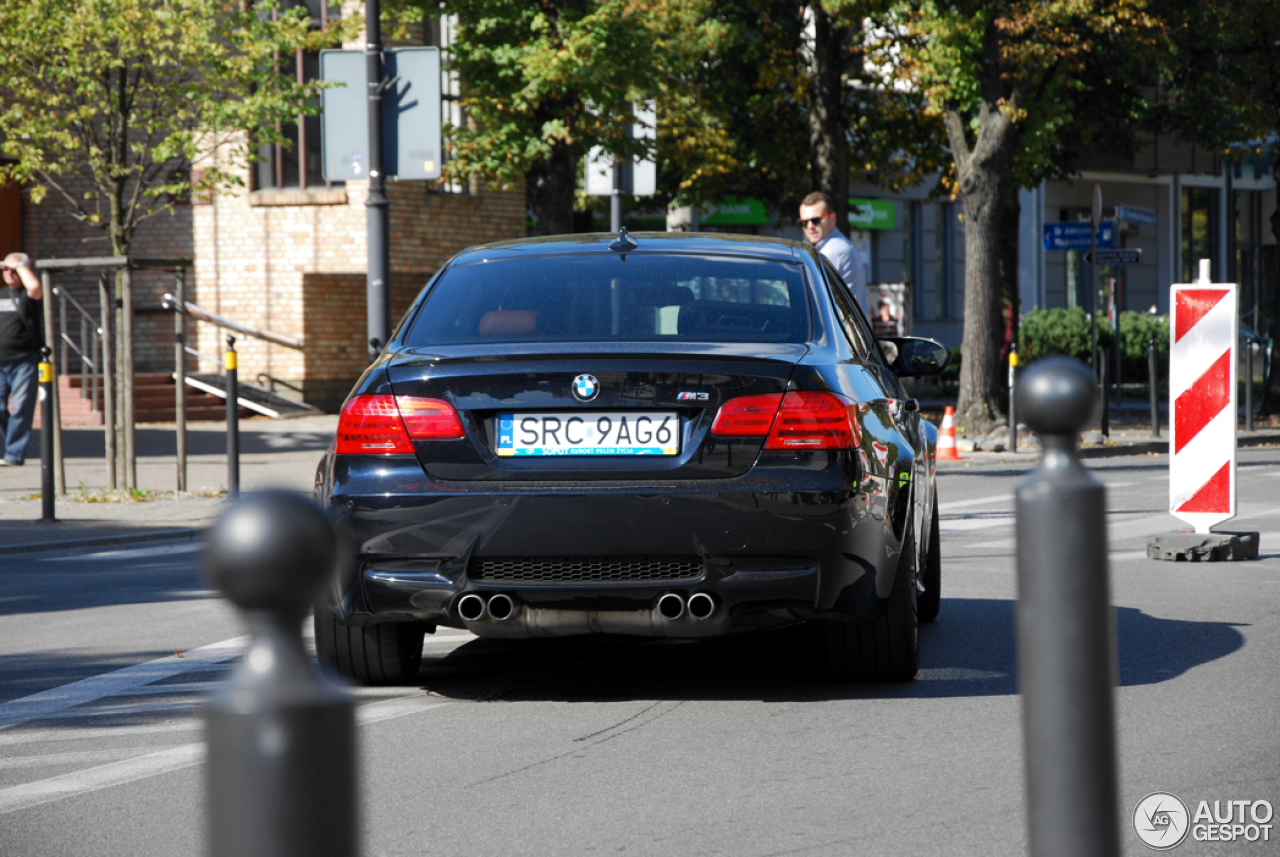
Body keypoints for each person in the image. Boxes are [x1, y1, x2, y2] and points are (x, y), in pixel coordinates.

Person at [0, 252, 44, 466]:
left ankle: (14, 454)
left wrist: (19, 265)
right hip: (1, 362)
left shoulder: (30, 296)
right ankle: (11, 442)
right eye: (5, 270)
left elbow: (34, 286)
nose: (9, 273)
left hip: (24, 360)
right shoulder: (1, 295)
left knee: (20, 408)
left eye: (14, 270)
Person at [798, 191, 868, 313]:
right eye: (804, 222)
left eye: (816, 220)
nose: (810, 226)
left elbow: (809, 300)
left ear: (832, 218)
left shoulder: (832, 251)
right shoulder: (837, 246)